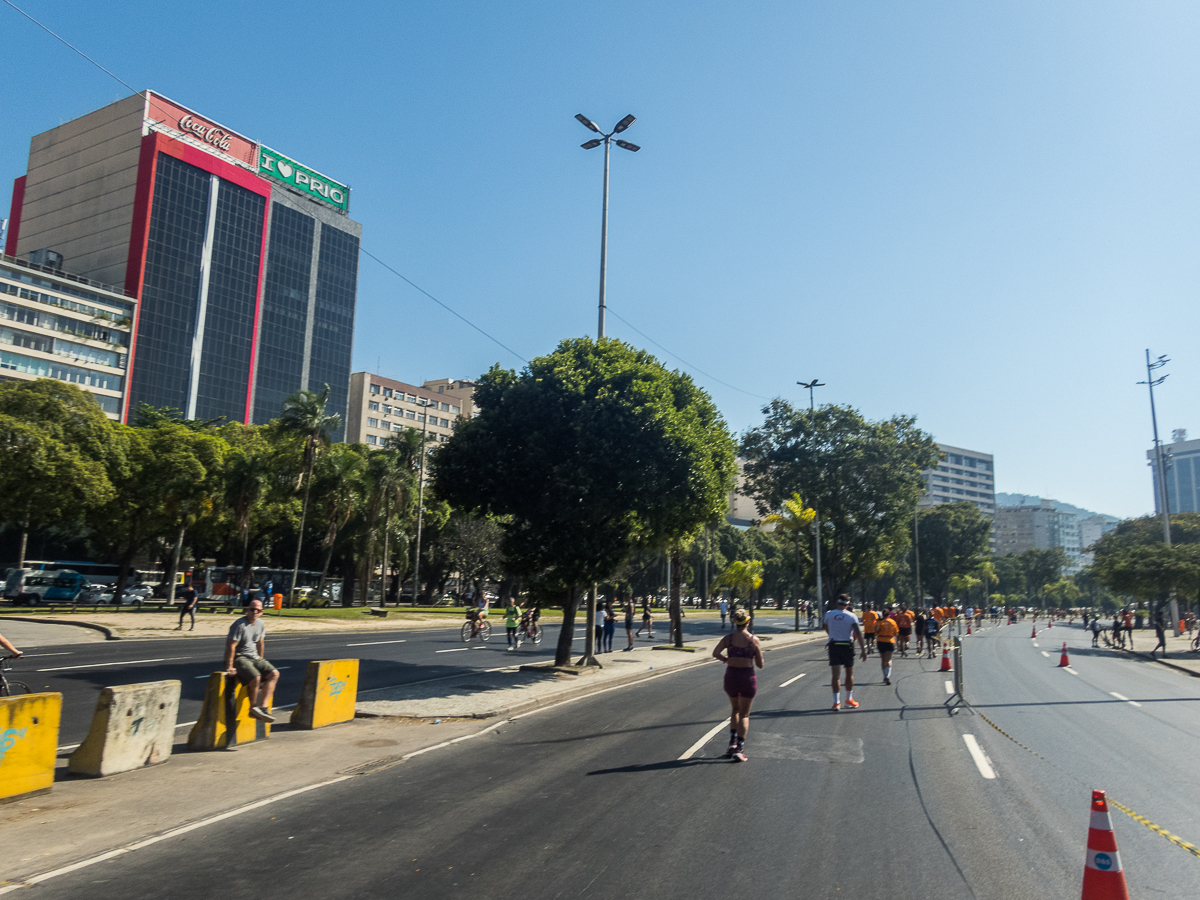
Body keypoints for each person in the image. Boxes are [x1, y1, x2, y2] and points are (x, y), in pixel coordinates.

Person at [712, 608, 763, 762]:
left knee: (735, 709)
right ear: (748, 621)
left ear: (735, 622)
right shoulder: (754, 640)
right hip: (747, 677)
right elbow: (760, 664)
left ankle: (731, 743)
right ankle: (739, 748)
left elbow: (715, 653)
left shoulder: (729, 639)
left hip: (731, 676)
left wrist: (726, 659)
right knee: (745, 714)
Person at [223, 599, 279, 722]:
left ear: (261, 612)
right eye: (252, 609)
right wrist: (229, 666)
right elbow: (230, 646)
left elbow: (260, 643)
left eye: (257, 610)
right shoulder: (239, 625)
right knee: (256, 677)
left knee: (274, 674)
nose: (254, 612)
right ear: (247, 610)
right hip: (240, 657)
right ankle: (253, 708)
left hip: (254, 657)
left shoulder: (260, 624)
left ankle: (263, 707)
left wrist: (261, 658)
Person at [824, 594, 867, 710]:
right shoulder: (852, 616)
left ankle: (836, 702)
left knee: (835, 675)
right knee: (849, 673)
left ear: (836, 602)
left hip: (834, 645)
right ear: (848, 604)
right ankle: (848, 700)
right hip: (847, 645)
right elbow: (858, 633)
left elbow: (826, 626)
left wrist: (831, 636)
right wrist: (863, 650)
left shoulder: (829, 614)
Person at [874, 611, 899, 685]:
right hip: (890, 641)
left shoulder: (879, 622)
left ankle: (884, 675)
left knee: (883, 659)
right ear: (889, 615)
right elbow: (896, 633)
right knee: (889, 659)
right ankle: (888, 675)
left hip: (881, 640)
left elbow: (876, 631)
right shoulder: (893, 622)